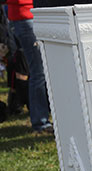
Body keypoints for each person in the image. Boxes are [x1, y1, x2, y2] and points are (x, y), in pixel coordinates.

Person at [6, 0, 52, 133]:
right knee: (38, 72)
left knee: (38, 71)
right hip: (26, 15)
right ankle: (40, 121)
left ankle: (41, 116)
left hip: (26, 15)